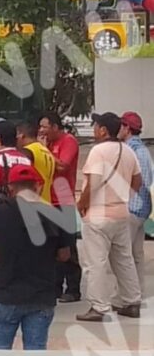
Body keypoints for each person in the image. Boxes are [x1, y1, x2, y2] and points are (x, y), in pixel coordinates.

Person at [0, 164, 74, 350]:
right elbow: (64, 255)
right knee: (35, 354)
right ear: (37, 186)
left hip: (5, 293)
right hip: (41, 295)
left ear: (10, 187)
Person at [75, 112, 143, 322]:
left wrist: (82, 204)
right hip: (121, 213)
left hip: (98, 215)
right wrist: (124, 197)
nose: (94, 129)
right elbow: (138, 181)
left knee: (96, 262)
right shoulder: (128, 151)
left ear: (103, 130)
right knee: (124, 260)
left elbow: (93, 182)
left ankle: (99, 307)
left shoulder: (98, 151)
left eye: (96, 125)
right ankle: (131, 301)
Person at [38, 111, 81, 302]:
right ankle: (54, 287)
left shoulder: (68, 141)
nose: (41, 131)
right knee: (51, 246)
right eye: (40, 127)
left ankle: (73, 289)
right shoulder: (48, 144)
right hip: (47, 199)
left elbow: (63, 166)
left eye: (45, 127)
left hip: (63, 200)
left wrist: (43, 151)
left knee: (68, 246)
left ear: (55, 127)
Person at [120, 111, 152, 298]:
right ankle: (137, 292)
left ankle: (127, 295)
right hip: (142, 208)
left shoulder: (131, 151)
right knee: (136, 254)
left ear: (127, 128)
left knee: (123, 256)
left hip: (132, 206)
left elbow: (141, 181)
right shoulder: (143, 150)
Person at [16, 121, 56, 205]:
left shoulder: (27, 151)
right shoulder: (47, 151)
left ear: (22, 135)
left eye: (17, 136)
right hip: (47, 202)